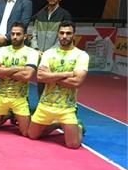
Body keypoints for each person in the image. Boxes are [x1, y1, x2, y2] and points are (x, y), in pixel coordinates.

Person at [28, 21, 89, 149]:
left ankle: (78, 127)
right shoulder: (49, 53)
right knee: (32, 135)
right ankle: (57, 124)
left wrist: (50, 75)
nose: (64, 36)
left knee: (73, 145)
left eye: (68, 33)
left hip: (67, 106)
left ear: (74, 35)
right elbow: (40, 77)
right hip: (45, 104)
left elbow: (77, 82)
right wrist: (69, 73)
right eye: (62, 33)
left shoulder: (82, 55)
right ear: (58, 34)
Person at [0, 22, 39, 136]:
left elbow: (27, 76)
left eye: (18, 34)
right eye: (13, 34)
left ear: (25, 36)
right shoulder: (2, 50)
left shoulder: (32, 52)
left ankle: (56, 124)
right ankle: (8, 114)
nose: (15, 37)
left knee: (26, 133)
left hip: (20, 99)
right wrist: (19, 68)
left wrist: (4, 70)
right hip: (0, 97)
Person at [30, 0, 73, 96]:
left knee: (55, 83)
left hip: (57, 55)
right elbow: (34, 34)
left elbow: (65, 36)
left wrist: (50, 52)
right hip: (40, 55)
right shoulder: (40, 14)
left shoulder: (65, 15)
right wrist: (36, 49)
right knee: (41, 82)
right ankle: (41, 104)